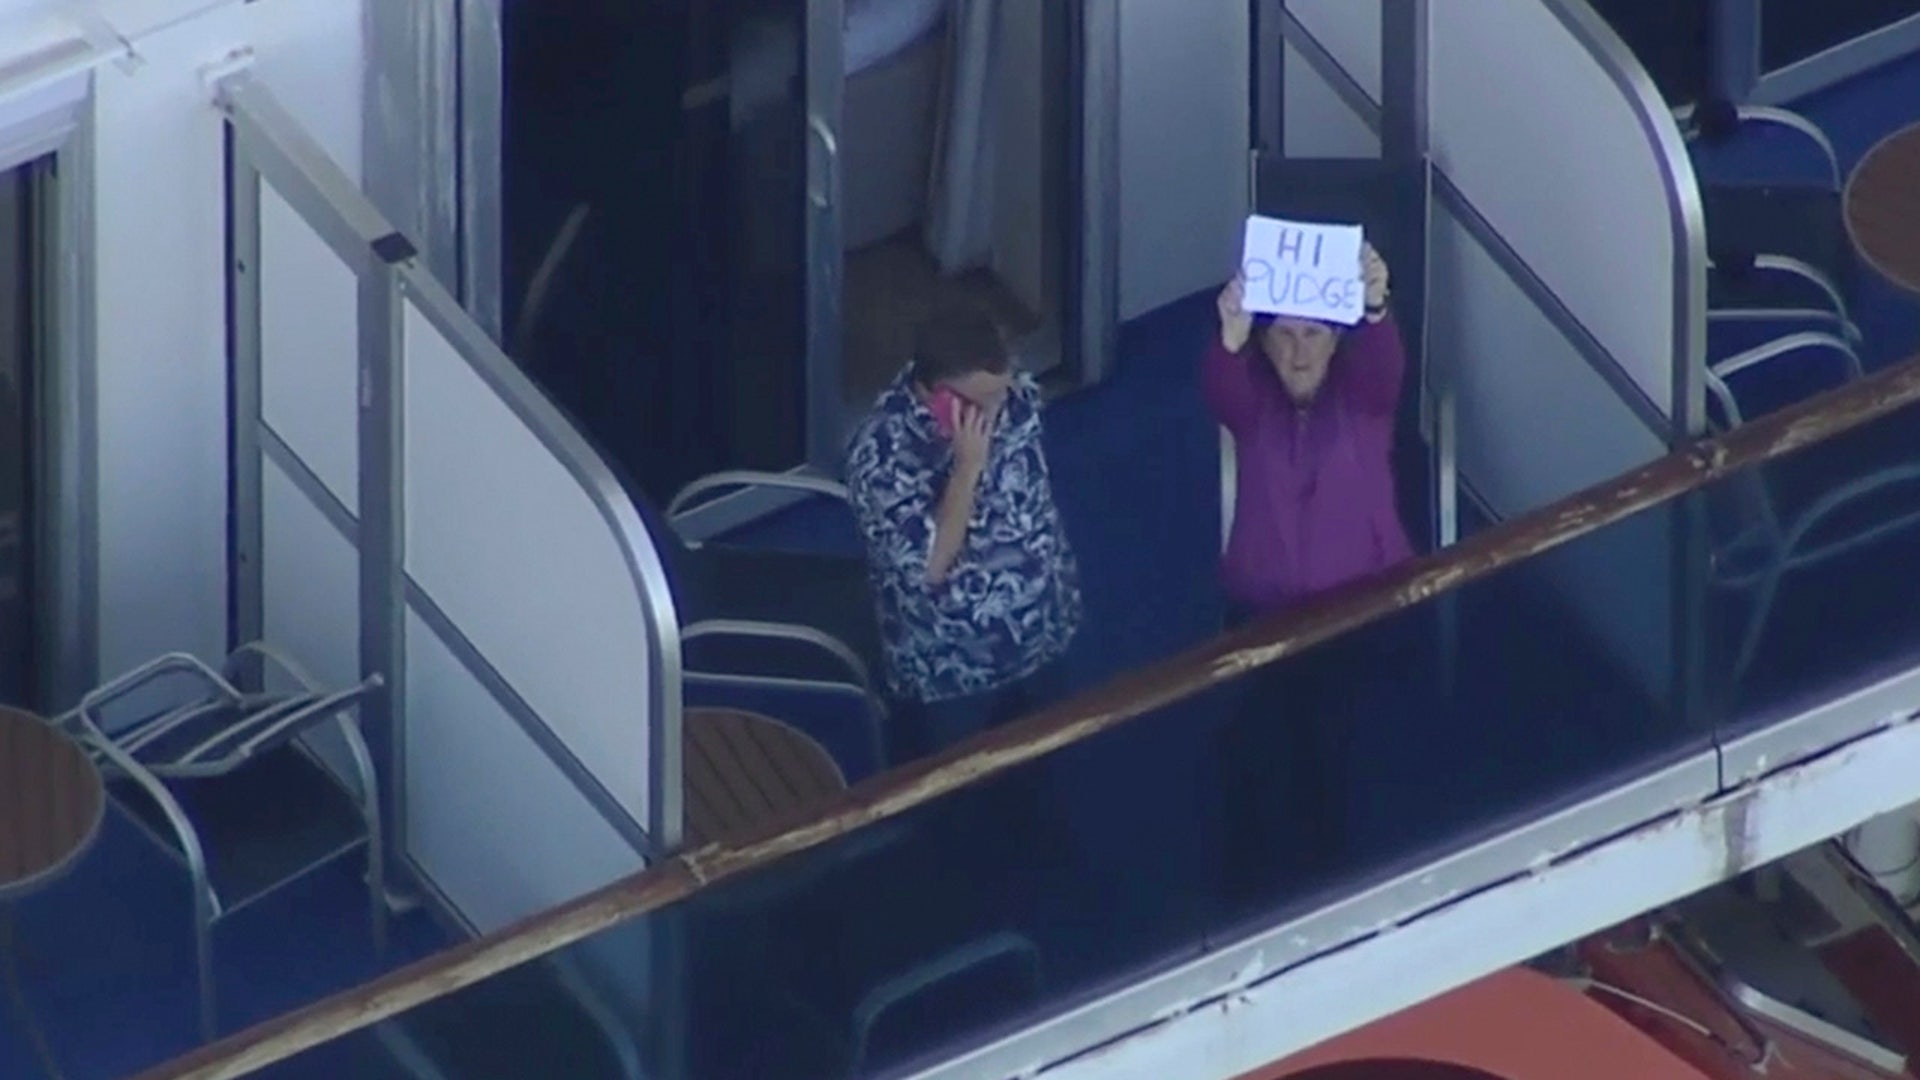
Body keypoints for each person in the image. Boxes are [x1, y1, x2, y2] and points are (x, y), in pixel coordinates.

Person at [1204, 242, 1425, 908]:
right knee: (1252, 753)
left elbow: (1385, 367)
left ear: (1337, 340)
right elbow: (1220, 386)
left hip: (1356, 614)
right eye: (1286, 336)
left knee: (1334, 757)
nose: (1300, 352)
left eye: (1315, 335)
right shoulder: (1252, 405)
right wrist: (1231, 335)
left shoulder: (1363, 400)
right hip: (1264, 614)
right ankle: (1246, 891)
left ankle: (1331, 883)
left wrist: (1377, 307)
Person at [845, 303, 1083, 762]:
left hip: (1040, 632)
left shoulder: (1014, 398)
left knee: (1043, 775)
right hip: (955, 669)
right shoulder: (881, 457)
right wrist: (966, 469)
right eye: (979, 404)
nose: (996, 412)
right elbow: (928, 568)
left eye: (1001, 393)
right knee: (952, 798)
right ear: (935, 394)